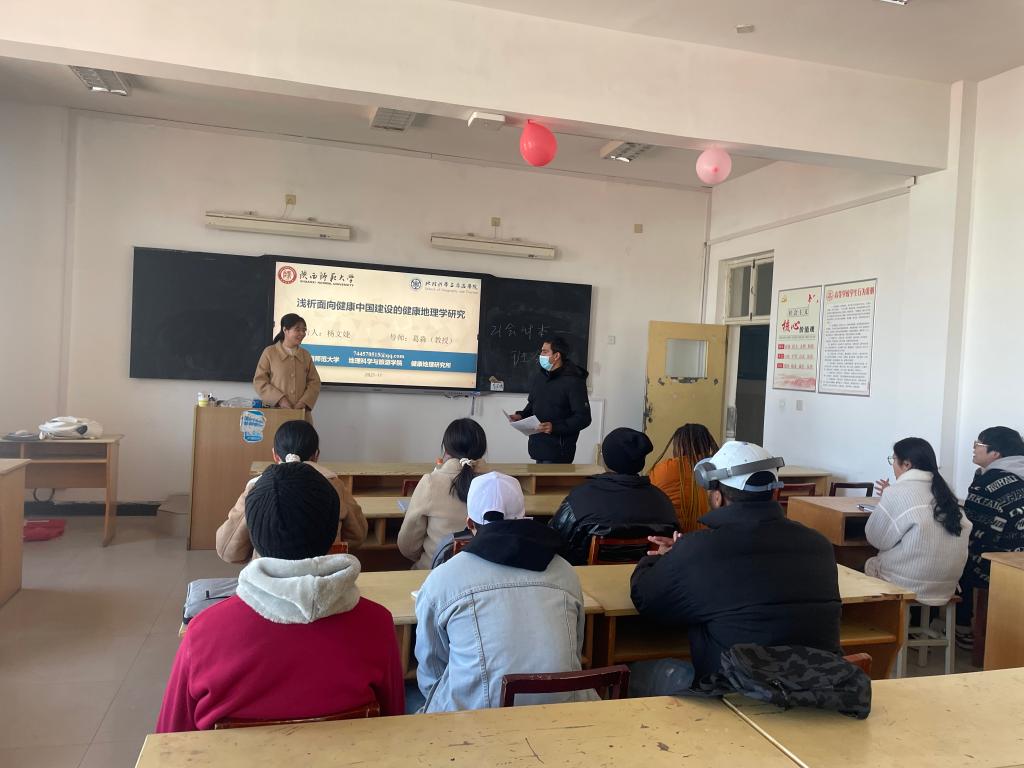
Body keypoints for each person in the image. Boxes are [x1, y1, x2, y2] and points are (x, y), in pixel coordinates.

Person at [157, 462, 404, 731]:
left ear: (252, 535)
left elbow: (170, 739)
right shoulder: (378, 624)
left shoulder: (203, 633)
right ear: (333, 533)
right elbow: (392, 724)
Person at [630, 441, 841, 687]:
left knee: (636, 672)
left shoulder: (700, 549)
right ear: (773, 493)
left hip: (737, 692)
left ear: (717, 496)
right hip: (817, 689)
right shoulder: (819, 545)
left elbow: (646, 599)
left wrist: (659, 558)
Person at [414, 471, 596, 712]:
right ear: (524, 517)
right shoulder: (565, 572)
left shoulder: (443, 579)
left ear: (470, 524)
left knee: (413, 697)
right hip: (563, 713)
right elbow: (575, 647)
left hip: (476, 722)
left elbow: (431, 670)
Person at [216, 420, 366, 563]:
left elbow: (228, 550)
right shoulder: (334, 485)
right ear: (316, 455)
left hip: (268, 576)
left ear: (275, 455)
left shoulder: (257, 487)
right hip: (324, 573)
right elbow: (357, 535)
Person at [864, 437, 971, 605]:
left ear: (906, 464)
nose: (893, 465)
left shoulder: (897, 492)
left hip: (910, 583)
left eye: (893, 459)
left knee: (860, 567)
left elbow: (876, 538)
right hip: (947, 585)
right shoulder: (945, 493)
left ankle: (888, 620)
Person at [549, 427, 678, 565]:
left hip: (586, 576)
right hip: (646, 575)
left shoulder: (580, 498)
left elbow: (553, 539)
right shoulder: (663, 502)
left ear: (606, 459)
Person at [956, 426, 1024, 648]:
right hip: (1018, 559)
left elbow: (972, 526)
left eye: (978, 444)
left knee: (956, 558)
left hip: (997, 563)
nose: (974, 448)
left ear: (995, 453)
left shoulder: (989, 480)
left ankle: (963, 627)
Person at [397, 418, 489, 569]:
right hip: (481, 572)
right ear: (482, 449)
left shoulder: (431, 482)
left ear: (446, 450)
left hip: (434, 570)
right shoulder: (498, 483)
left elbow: (407, 545)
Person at [508, 336, 591, 463]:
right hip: (537, 447)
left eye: (545, 352)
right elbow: (533, 404)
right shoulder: (541, 377)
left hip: (559, 450)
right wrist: (521, 415)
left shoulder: (574, 381)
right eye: (541, 351)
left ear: (556, 356)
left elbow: (583, 418)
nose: (541, 355)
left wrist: (555, 427)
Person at [648, 424, 720, 534]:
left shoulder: (662, 470)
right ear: (707, 445)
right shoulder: (718, 470)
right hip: (707, 539)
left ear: (679, 447)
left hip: (669, 538)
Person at [253, 313, 321, 411]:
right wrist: (280, 399)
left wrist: (304, 402)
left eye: (304, 330)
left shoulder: (306, 355)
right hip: (276, 412)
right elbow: (259, 381)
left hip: (301, 413)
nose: (302, 333)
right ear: (285, 330)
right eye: (297, 330)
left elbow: (315, 382)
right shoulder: (270, 352)